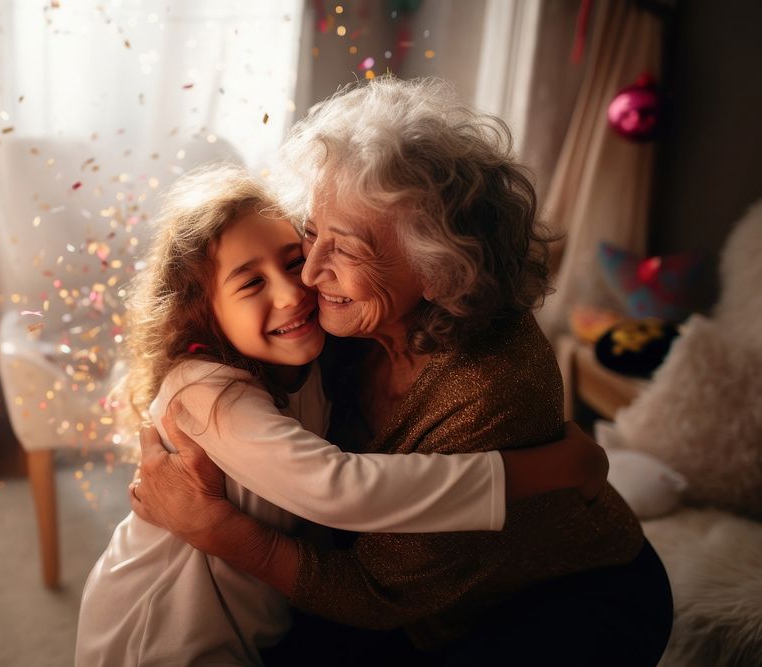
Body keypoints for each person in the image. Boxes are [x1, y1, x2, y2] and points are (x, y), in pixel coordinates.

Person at [129, 78, 674, 666]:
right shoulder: (330, 323)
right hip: (393, 580)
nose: (308, 275)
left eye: (347, 249)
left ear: (438, 271)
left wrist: (215, 529)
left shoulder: (494, 388)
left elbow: (373, 593)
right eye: (311, 235)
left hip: (552, 606)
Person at [75, 164, 609, 667]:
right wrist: (547, 471)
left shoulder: (308, 364)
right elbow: (340, 489)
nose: (293, 290)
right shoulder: (205, 395)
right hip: (161, 629)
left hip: (247, 624)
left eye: (291, 261)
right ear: (201, 313)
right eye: (250, 283)